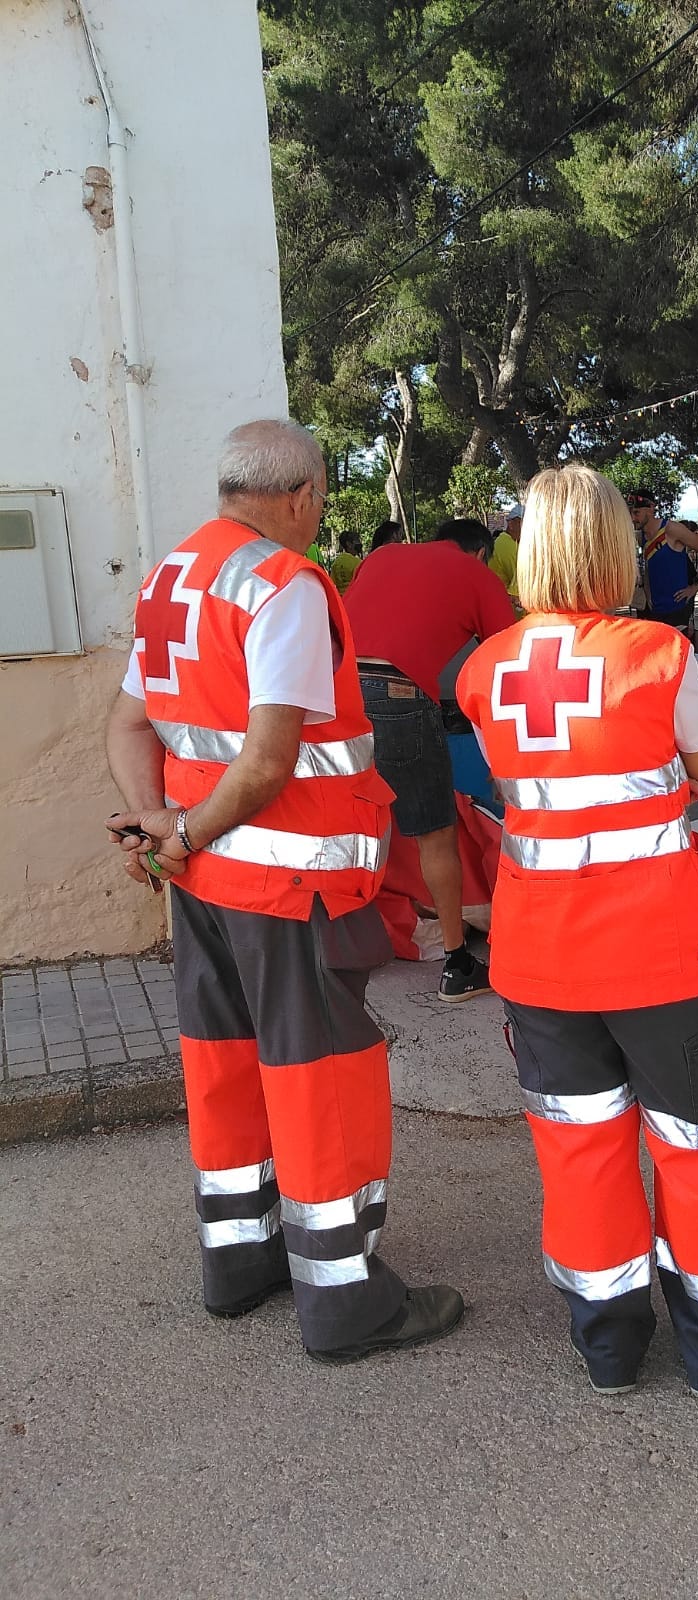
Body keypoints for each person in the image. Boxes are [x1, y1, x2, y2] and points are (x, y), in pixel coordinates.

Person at [104, 419, 464, 1362]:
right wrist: (182, 831)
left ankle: (240, 1263)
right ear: (301, 495)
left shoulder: (173, 577)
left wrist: (159, 830)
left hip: (202, 886)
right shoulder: (284, 584)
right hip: (290, 885)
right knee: (321, 1081)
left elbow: (128, 725)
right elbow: (268, 760)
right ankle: (348, 1304)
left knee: (224, 1064)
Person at [455, 462, 698, 1404]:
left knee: (579, 1149)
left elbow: (523, 789)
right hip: (660, 950)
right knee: (697, 1146)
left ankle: (608, 1346)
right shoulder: (657, 653)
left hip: (538, 954)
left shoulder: (485, 669)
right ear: (615, 547)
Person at [344, 516, 513, 1000]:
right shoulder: (476, 573)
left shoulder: (381, 556)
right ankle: (458, 964)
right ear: (479, 552)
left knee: (353, 825)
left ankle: (341, 947)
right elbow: (508, 666)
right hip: (398, 695)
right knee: (435, 835)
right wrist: (503, 761)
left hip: (337, 696)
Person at [626, 490, 698, 635]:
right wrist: (647, 591)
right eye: (631, 513)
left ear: (650, 509)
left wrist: (696, 585)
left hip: (677, 608)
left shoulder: (671, 529)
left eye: (636, 513)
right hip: (654, 609)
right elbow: (648, 565)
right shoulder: (642, 536)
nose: (633, 518)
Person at [488, 502, 523, 607]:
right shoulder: (508, 544)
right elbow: (522, 581)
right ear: (511, 524)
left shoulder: (505, 541)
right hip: (506, 605)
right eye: (523, 523)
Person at [329, 530, 362, 594]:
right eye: (357, 541)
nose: (359, 544)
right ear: (349, 544)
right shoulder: (357, 562)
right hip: (353, 596)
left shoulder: (336, 563)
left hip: (341, 598)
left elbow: (332, 583)